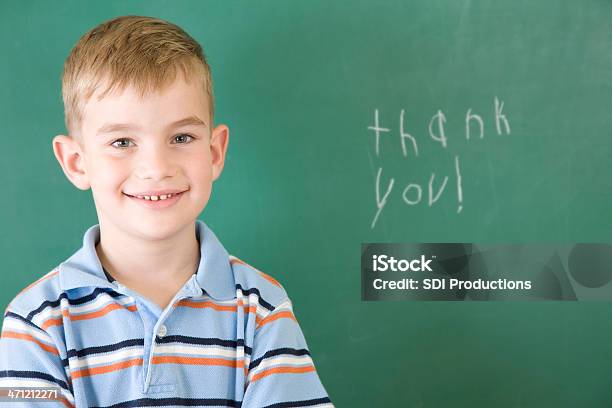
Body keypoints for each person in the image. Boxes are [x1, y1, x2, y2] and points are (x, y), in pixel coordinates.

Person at [0, 15, 333, 408]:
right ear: (76, 162)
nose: (157, 168)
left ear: (214, 152)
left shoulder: (261, 309)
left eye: (181, 137)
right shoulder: (36, 323)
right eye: (122, 141)